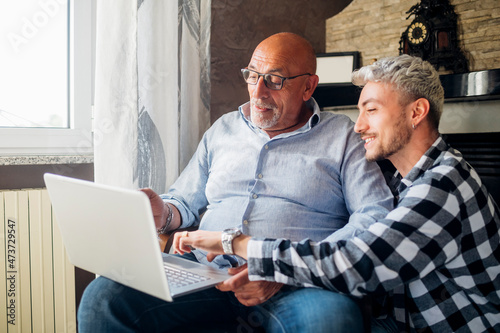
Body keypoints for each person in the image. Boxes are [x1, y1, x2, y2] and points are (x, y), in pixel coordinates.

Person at [77, 32, 395, 333]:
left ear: (308, 87)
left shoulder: (344, 136)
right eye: (253, 75)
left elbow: (374, 216)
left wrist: (286, 268)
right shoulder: (223, 129)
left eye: (275, 79)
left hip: (295, 283)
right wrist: (164, 212)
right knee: (104, 296)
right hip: (205, 274)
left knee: (331, 321)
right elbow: (184, 201)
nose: (258, 91)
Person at [175, 55, 500, 332]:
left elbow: (357, 263)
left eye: (371, 110)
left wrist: (238, 243)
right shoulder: (408, 182)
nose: (357, 126)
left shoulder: (443, 186)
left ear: (416, 113)